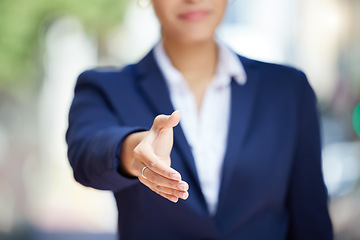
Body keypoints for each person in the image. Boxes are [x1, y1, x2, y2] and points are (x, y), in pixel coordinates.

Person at [66, 0, 333, 239]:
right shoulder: (105, 88)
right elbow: (86, 154)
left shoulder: (287, 90)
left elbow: (310, 218)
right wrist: (136, 153)